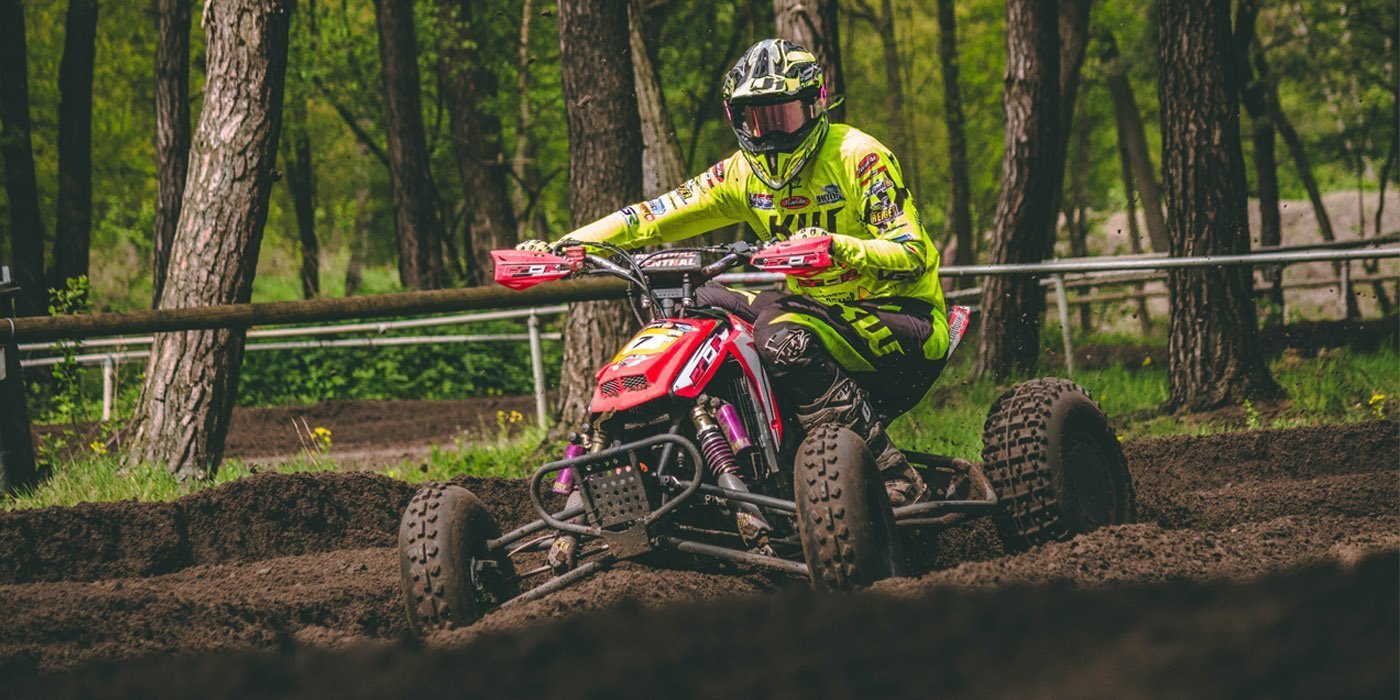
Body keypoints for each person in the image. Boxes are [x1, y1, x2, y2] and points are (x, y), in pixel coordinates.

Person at [520, 38, 949, 508]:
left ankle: (891, 471)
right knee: (689, 306)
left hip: (900, 315)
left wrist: (834, 248)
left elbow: (912, 253)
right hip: (815, 311)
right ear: (737, 119)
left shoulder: (857, 156)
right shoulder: (741, 173)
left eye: (783, 116)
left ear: (814, 104)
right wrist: (568, 245)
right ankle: (724, 454)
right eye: (757, 119)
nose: (771, 133)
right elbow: (652, 214)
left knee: (781, 337)